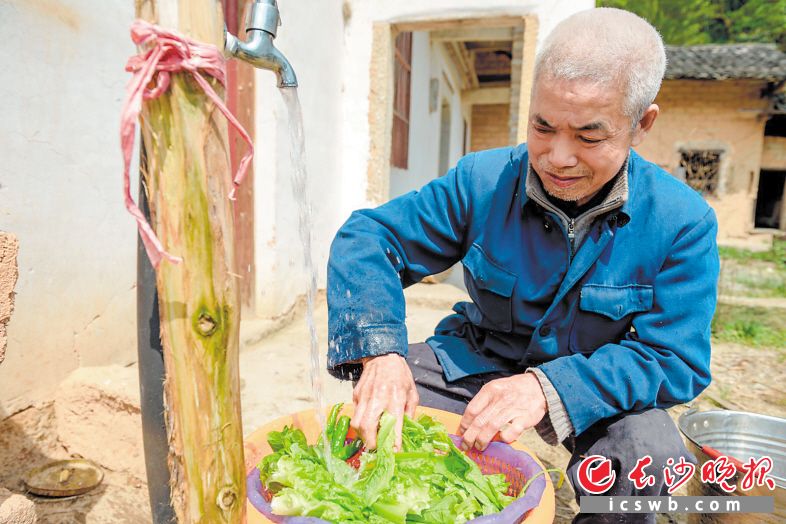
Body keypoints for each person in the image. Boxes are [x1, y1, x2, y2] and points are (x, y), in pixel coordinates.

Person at [326, 7, 719, 523]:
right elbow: (371, 237)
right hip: (477, 359)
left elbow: (674, 359)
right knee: (374, 415)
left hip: (600, 388)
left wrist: (549, 387)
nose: (557, 156)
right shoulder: (482, 180)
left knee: (649, 457)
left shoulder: (682, 221)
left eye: (589, 136)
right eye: (543, 126)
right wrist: (379, 354)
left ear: (641, 123)